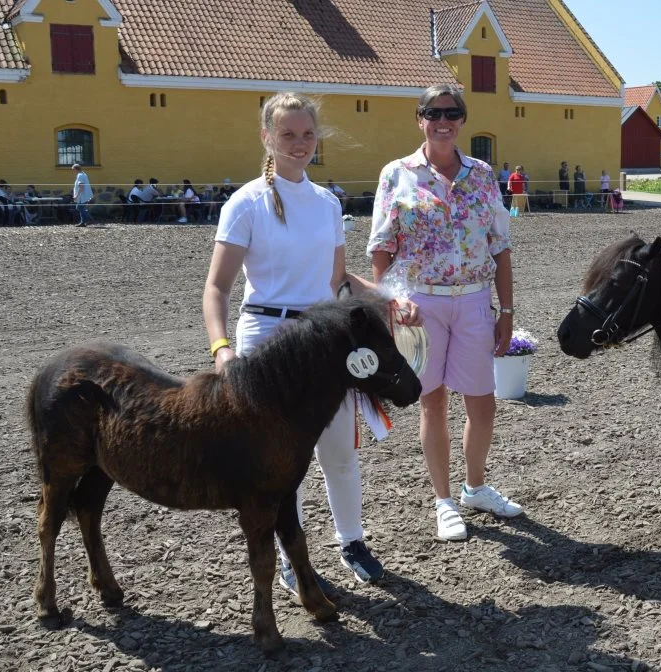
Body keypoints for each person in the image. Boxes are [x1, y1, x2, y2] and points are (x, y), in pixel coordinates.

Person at [202, 92, 421, 591]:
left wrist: (391, 298)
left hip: (325, 340)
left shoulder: (327, 204)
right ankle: (288, 553)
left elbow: (339, 280)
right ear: (267, 138)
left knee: (339, 449)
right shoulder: (246, 203)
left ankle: (352, 540)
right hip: (267, 339)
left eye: (306, 134)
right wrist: (221, 349)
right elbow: (217, 288)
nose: (299, 144)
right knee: (281, 460)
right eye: (287, 135)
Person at [368, 84, 523, 542]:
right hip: (420, 305)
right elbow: (381, 250)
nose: (443, 120)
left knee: (483, 402)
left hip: (475, 300)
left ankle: (475, 486)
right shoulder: (396, 175)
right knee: (432, 401)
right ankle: (444, 500)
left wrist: (507, 310)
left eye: (452, 112)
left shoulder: (481, 174)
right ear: (420, 119)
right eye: (433, 112)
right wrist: (390, 303)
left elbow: (501, 246)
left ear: (461, 120)